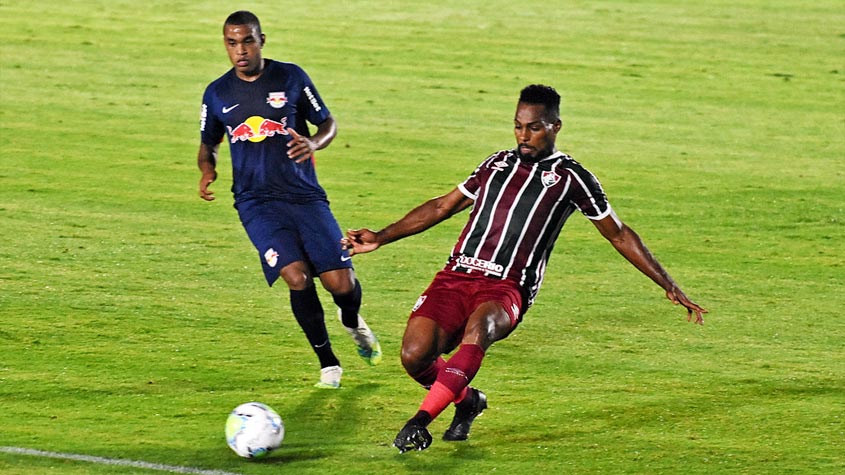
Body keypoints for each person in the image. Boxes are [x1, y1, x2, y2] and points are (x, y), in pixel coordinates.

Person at [343, 84, 707, 452]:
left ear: (555, 126)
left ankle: (420, 421)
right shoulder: (495, 163)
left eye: (533, 127)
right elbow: (442, 207)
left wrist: (667, 282)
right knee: (414, 355)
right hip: (457, 275)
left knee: (479, 329)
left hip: (507, 287)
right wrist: (382, 236)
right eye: (518, 126)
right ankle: (468, 402)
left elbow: (618, 234)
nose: (523, 135)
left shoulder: (572, 178)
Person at [196, 10, 381, 389]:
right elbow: (208, 142)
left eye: (248, 40)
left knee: (341, 284)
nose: (240, 50)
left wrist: (313, 142)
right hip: (255, 202)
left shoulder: (291, 77)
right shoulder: (217, 93)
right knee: (295, 276)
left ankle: (351, 321)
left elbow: (328, 123)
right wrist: (207, 169)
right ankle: (328, 362)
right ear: (225, 46)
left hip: (304, 196)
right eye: (232, 43)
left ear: (262, 40)